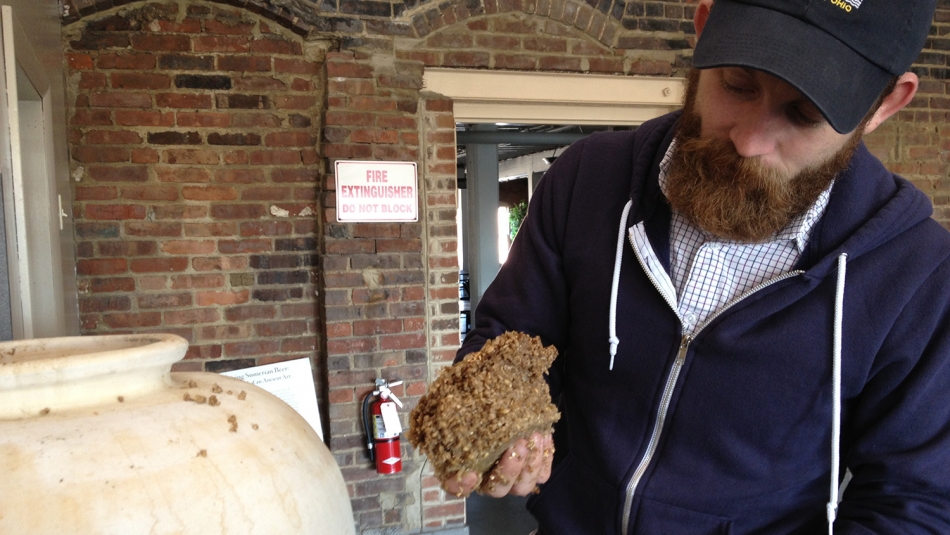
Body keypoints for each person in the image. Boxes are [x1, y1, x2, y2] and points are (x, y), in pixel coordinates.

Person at [437, 0, 950, 533]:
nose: (748, 141)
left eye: (804, 114)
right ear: (704, 30)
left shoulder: (921, 279)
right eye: (737, 84)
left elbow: (914, 505)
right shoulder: (585, 179)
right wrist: (495, 412)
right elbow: (509, 342)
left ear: (886, 103)